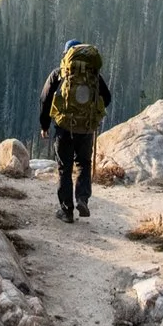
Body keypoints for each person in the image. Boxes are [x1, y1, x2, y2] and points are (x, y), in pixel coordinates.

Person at [38, 39, 111, 221]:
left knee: (65, 168)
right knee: (83, 164)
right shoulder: (93, 75)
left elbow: (45, 99)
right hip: (86, 129)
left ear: (66, 55)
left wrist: (44, 125)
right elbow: (107, 97)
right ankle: (82, 198)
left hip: (64, 128)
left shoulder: (59, 73)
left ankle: (66, 211)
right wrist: (93, 113)